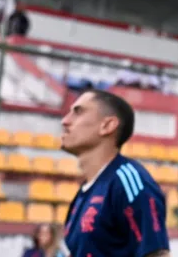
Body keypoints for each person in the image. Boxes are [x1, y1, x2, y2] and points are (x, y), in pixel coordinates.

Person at [60, 89, 171, 257]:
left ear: (107, 125)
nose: (65, 121)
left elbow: (156, 254)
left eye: (78, 112)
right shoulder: (82, 195)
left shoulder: (128, 181)